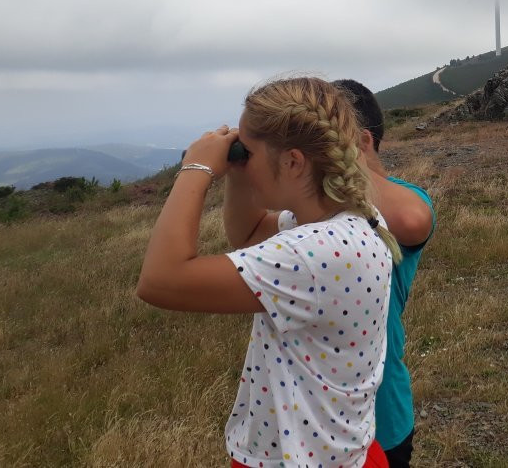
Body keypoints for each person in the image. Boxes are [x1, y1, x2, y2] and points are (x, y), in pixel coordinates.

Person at [136, 77, 401, 468]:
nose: (242, 159)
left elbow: (159, 280)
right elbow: (248, 233)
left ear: (293, 162)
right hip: (343, 453)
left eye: (249, 153)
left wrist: (195, 167)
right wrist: (243, 170)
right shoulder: (351, 221)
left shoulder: (314, 254)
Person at [334, 80, 435, 468]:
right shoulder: (310, 208)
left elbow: (411, 220)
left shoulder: (403, 201)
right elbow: (249, 230)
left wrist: (346, 158)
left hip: (381, 414)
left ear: (363, 141)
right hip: (310, 422)